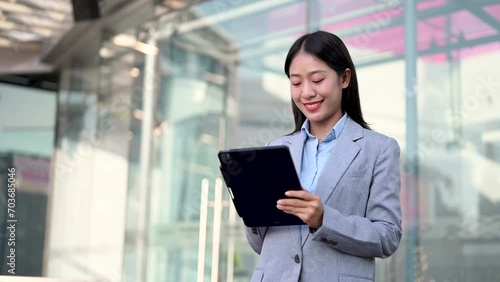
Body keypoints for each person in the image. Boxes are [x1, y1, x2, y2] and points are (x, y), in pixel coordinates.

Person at [246, 30, 402, 282]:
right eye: (296, 83)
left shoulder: (379, 149)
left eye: (317, 80)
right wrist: (252, 212)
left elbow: (387, 236)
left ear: (344, 78)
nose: (306, 92)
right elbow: (261, 244)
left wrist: (324, 219)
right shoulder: (275, 149)